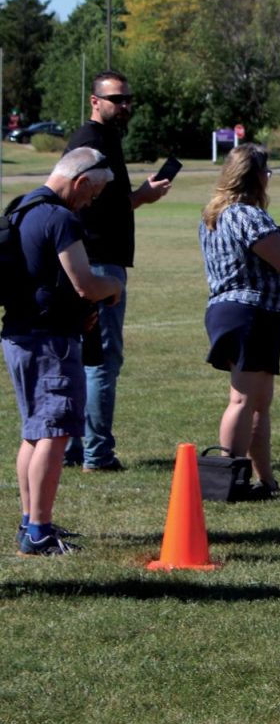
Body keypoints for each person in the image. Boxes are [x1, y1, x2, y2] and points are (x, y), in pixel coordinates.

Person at [5, 148, 124, 554]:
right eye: (93, 193)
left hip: (19, 334)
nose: (91, 202)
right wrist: (113, 288)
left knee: (35, 433)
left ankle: (30, 522)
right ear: (81, 181)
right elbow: (85, 283)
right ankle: (39, 532)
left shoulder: (22, 206)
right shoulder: (60, 217)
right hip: (49, 341)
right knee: (54, 433)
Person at [64, 69, 172, 472]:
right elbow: (93, 207)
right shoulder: (90, 141)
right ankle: (97, 452)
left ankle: (76, 448)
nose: (125, 106)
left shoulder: (106, 139)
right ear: (95, 101)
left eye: (128, 99)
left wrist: (138, 194)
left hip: (95, 257)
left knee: (85, 356)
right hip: (96, 261)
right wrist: (141, 197)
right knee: (101, 359)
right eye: (116, 100)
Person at [199, 144, 280, 496]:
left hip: (235, 311)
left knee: (258, 403)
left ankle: (265, 480)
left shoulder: (214, 214)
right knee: (243, 401)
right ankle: (228, 479)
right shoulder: (246, 215)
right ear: (255, 176)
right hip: (251, 313)